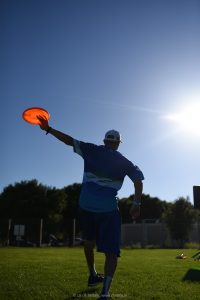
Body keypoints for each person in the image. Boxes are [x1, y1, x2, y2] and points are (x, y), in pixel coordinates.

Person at [38, 117, 144, 300]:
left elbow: (68, 140)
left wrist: (48, 128)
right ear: (118, 144)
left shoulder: (90, 150)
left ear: (104, 141)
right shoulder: (125, 162)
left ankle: (92, 273)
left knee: (88, 241)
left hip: (85, 206)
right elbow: (138, 181)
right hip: (108, 211)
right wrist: (136, 204)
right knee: (111, 252)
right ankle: (105, 293)